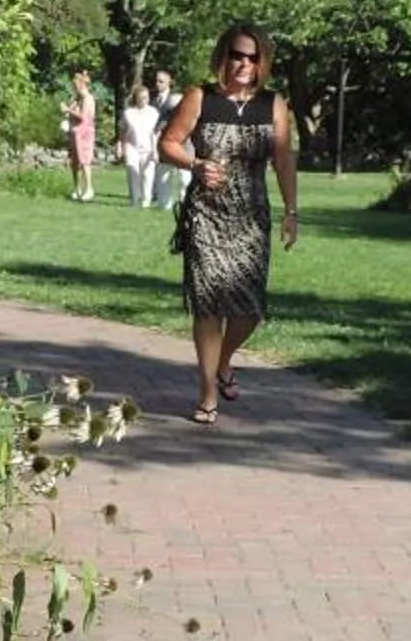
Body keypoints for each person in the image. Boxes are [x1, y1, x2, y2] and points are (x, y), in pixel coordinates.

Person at [159, 24, 298, 424]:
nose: (245, 64)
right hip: (206, 213)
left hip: (252, 215)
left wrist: (291, 211)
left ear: (263, 63)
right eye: (238, 55)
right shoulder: (200, 97)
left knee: (250, 308)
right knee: (207, 306)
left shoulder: (273, 105)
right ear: (224, 57)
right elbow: (167, 143)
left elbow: (284, 160)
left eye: (253, 57)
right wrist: (196, 163)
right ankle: (207, 394)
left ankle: (222, 362)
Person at [117, 81, 161, 208]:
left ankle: (146, 200)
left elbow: (155, 132)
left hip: (149, 147)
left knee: (147, 174)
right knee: (133, 172)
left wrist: (155, 150)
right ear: (136, 98)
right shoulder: (128, 113)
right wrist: (119, 145)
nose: (144, 100)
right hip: (132, 147)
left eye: (146, 97)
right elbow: (122, 131)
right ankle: (134, 200)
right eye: (141, 97)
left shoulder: (153, 113)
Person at [150, 69, 185, 207]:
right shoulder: (153, 100)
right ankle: (158, 197)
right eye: (156, 81)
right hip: (158, 140)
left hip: (176, 140)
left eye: (161, 81)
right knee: (160, 171)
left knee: (183, 175)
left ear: (169, 82)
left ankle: (183, 200)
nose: (157, 84)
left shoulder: (177, 98)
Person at [63, 70, 98, 201]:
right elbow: (70, 109)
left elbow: (84, 117)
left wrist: (68, 110)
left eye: (76, 84)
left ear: (82, 84)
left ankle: (89, 188)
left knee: (85, 161)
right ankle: (77, 188)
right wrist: (69, 108)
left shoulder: (88, 99)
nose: (74, 87)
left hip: (85, 133)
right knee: (75, 161)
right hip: (75, 132)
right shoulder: (78, 98)